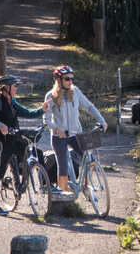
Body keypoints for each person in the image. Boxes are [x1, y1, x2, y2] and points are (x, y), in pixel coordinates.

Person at [0, 74, 48, 216]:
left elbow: (27, 113)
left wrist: (42, 109)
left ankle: (45, 186)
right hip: (1, 144)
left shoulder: (12, 101)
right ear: (6, 87)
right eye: (15, 86)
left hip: (14, 139)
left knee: (38, 153)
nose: (17, 88)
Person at [44, 64, 107, 196]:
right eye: (67, 79)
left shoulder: (76, 92)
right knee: (63, 167)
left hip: (75, 134)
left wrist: (101, 120)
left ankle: (85, 186)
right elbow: (47, 119)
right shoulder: (50, 96)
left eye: (72, 78)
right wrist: (56, 129)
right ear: (59, 80)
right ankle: (64, 196)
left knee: (88, 157)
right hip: (59, 136)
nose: (70, 81)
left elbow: (89, 107)